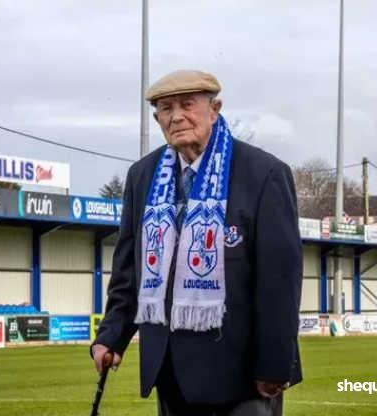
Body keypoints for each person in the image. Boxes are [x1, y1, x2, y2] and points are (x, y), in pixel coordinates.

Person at [91, 69, 303, 416]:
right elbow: (128, 270)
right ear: (157, 118)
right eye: (165, 108)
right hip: (169, 370)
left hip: (242, 374)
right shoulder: (142, 175)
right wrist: (111, 336)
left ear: (214, 109)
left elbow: (279, 281)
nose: (176, 117)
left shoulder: (263, 173)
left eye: (187, 104)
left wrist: (275, 364)